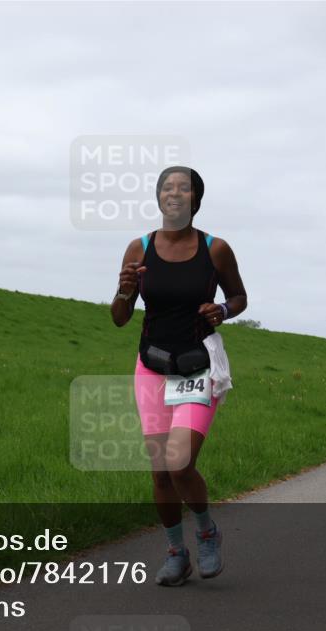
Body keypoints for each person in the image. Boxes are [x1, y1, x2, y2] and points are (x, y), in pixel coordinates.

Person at [111, 166, 247, 586]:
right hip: (151, 366)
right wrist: (123, 288)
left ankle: (207, 531)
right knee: (160, 471)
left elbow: (239, 296)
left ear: (196, 199)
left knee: (180, 460)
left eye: (183, 188)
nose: (174, 193)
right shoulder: (139, 247)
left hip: (197, 365)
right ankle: (176, 551)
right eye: (166, 187)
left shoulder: (216, 249)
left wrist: (222, 310)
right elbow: (119, 318)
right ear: (157, 198)